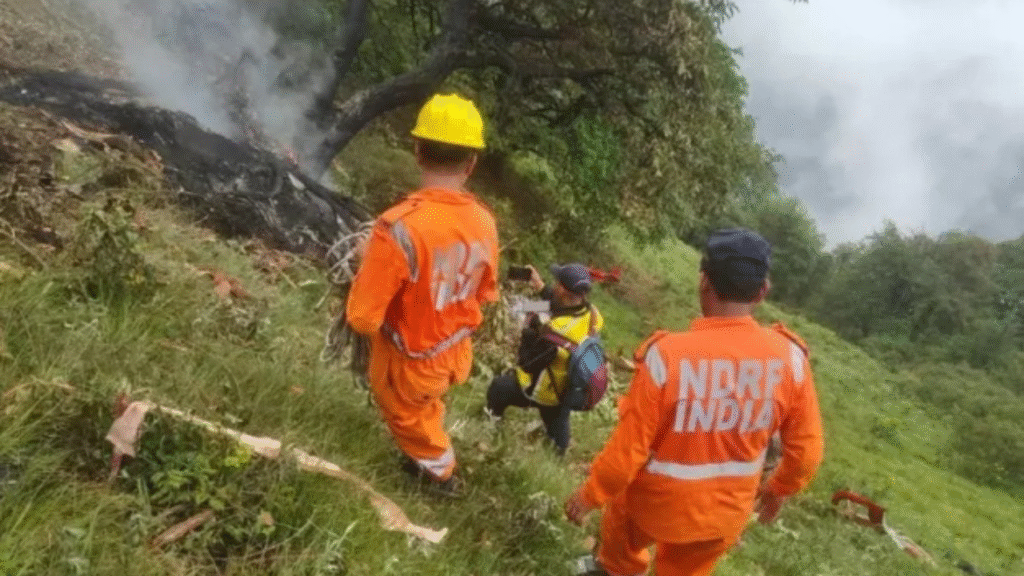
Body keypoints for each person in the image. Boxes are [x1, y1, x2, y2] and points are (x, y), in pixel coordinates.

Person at [564, 228, 824, 576]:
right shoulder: (791, 360)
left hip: (653, 507)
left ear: (704, 281)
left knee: (622, 532)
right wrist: (779, 489)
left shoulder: (665, 357)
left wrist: (589, 495)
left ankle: (617, 569)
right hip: (723, 518)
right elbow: (806, 455)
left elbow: (627, 453)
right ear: (762, 291)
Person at [345, 93, 499, 497]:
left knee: (410, 419)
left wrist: (366, 263)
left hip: (408, 362)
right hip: (452, 352)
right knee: (426, 407)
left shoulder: (398, 228)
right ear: (471, 163)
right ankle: (425, 457)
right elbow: (484, 291)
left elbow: (363, 318)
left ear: (417, 152)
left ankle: (440, 475)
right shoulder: (485, 222)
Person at [485, 263, 605, 455]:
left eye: (557, 282)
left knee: (498, 388)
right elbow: (560, 307)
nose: (554, 284)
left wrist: (528, 332)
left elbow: (527, 363)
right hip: (566, 390)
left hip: (542, 392)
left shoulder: (553, 329)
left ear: (563, 291)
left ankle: (491, 428)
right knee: (558, 443)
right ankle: (559, 450)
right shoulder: (593, 315)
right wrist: (539, 286)